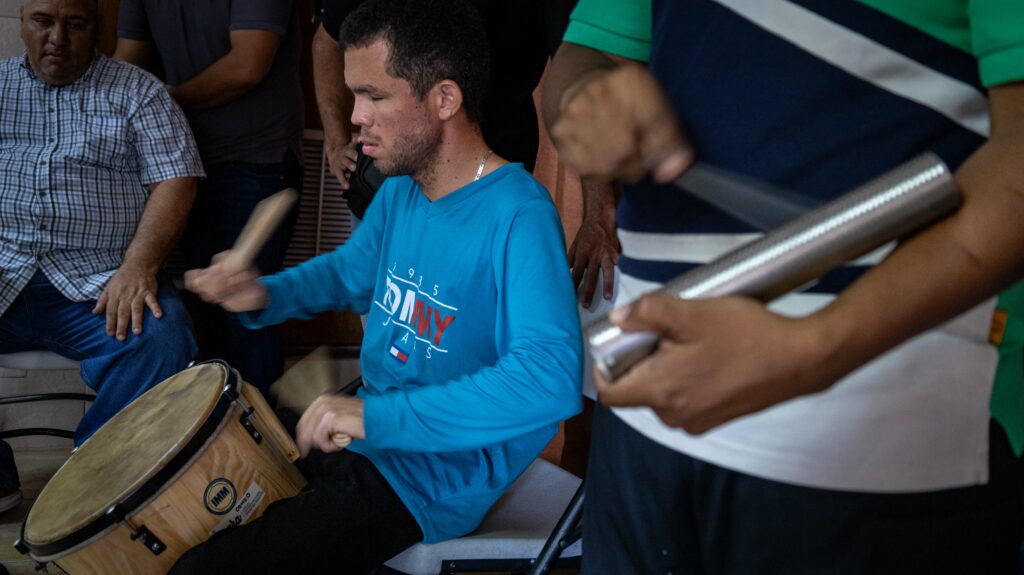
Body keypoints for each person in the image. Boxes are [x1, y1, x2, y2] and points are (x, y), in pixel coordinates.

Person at [544, 0, 1024, 573]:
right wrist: (584, 98)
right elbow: (592, 49)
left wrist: (816, 348)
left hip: (872, 432)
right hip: (648, 415)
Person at [175, 1, 582, 572]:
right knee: (201, 498)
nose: (355, 115)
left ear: (444, 99)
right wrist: (266, 294)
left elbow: (547, 381)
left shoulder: (518, 214)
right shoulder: (402, 188)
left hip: (431, 475)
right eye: (355, 94)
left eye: (375, 95)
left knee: (208, 569)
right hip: (369, 433)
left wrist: (373, 419)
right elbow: (350, 273)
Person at [0, 0, 202, 513]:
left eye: (75, 24)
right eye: (43, 21)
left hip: (97, 281)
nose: (57, 39)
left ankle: (92, 482)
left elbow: (175, 180)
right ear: (23, 21)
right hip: (6, 266)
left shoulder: (139, 92)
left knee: (162, 338)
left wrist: (139, 267)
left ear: (97, 28)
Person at [113, 0, 305, 398]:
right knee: (203, 319)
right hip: (179, 164)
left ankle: (261, 453)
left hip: (256, 160)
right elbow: (126, 63)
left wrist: (162, 100)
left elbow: (247, 66)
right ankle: (214, 451)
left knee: (245, 315)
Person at [312, 0, 551, 222]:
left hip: (496, 156)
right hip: (393, 172)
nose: (358, 116)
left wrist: (591, 214)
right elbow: (326, 42)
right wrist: (335, 142)